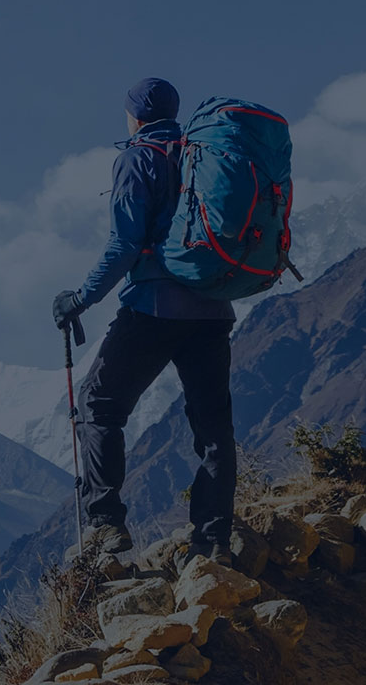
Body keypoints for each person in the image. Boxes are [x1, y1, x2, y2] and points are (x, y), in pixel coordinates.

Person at [53, 77, 236, 568]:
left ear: (134, 116)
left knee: (99, 405)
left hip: (154, 309)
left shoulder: (139, 158)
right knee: (214, 430)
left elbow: (125, 244)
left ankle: (106, 526)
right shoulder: (206, 155)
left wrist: (80, 298)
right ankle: (213, 542)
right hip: (213, 311)